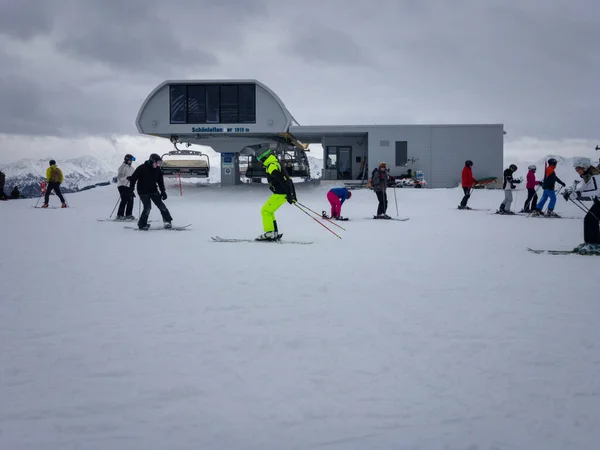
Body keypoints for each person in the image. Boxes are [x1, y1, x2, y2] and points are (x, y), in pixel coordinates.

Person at [255, 146, 297, 241]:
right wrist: (292, 194)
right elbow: (288, 180)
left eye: (260, 159)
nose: (260, 161)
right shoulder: (275, 163)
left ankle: (270, 233)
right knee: (269, 211)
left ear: (264, 157)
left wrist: (290, 194)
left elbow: (283, 180)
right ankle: (274, 232)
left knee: (265, 211)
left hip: (280, 194)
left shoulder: (271, 166)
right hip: (281, 193)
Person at [563, 157, 600, 253]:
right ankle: (589, 243)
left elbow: (596, 190)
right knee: (588, 219)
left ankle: (595, 244)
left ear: (584, 167)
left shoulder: (595, 176)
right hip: (598, 201)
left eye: (578, 168)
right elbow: (584, 188)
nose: (576, 171)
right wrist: (573, 193)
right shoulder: (587, 176)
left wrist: (579, 194)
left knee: (592, 219)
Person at [128, 153, 173, 230]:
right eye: (157, 163)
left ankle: (167, 221)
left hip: (153, 190)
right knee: (147, 207)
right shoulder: (141, 168)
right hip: (143, 191)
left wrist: (163, 191)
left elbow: (160, 181)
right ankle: (142, 224)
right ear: (151, 161)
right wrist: (131, 188)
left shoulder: (157, 169)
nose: (158, 165)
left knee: (161, 206)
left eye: (159, 163)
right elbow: (133, 178)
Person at [116, 153, 136, 220]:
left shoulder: (132, 168)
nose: (131, 162)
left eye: (131, 161)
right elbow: (119, 177)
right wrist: (127, 178)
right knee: (124, 199)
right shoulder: (122, 167)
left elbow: (133, 177)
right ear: (126, 160)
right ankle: (120, 215)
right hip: (122, 185)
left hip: (129, 186)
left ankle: (128, 215)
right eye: (130, 160)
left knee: (131, 200)